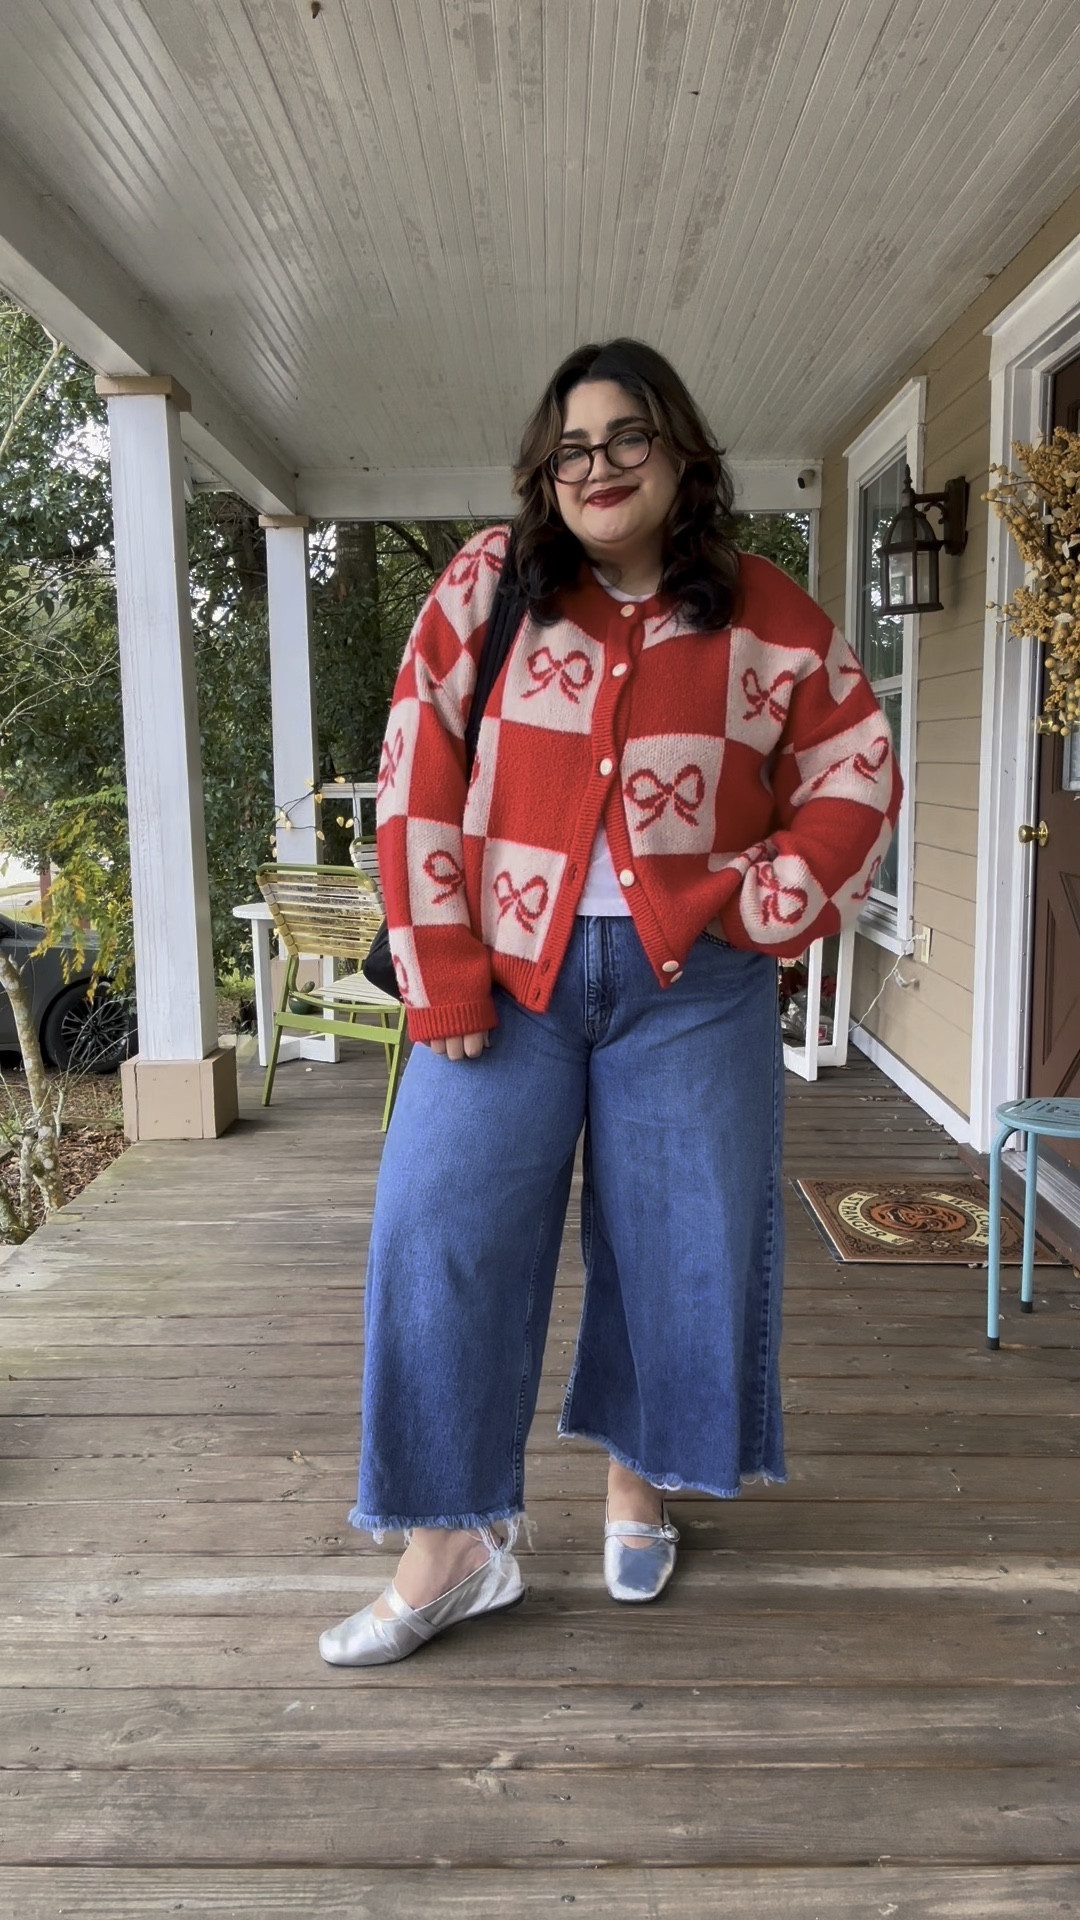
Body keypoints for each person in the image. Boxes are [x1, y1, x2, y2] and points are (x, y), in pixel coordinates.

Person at [319, 338, 901, 1667]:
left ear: (680, 452)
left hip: (691, 987)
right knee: (435, 1231)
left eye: (627, 437)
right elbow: (413, 771)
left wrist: (759, 901)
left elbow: (856, 772)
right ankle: (450, 1545)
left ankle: (639, 1482)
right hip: (503, 982)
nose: (599, 467)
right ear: (545, 472)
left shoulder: (763, 614)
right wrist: (442, 969)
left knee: (675, 1239)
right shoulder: (491, 586)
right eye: (571, 448)